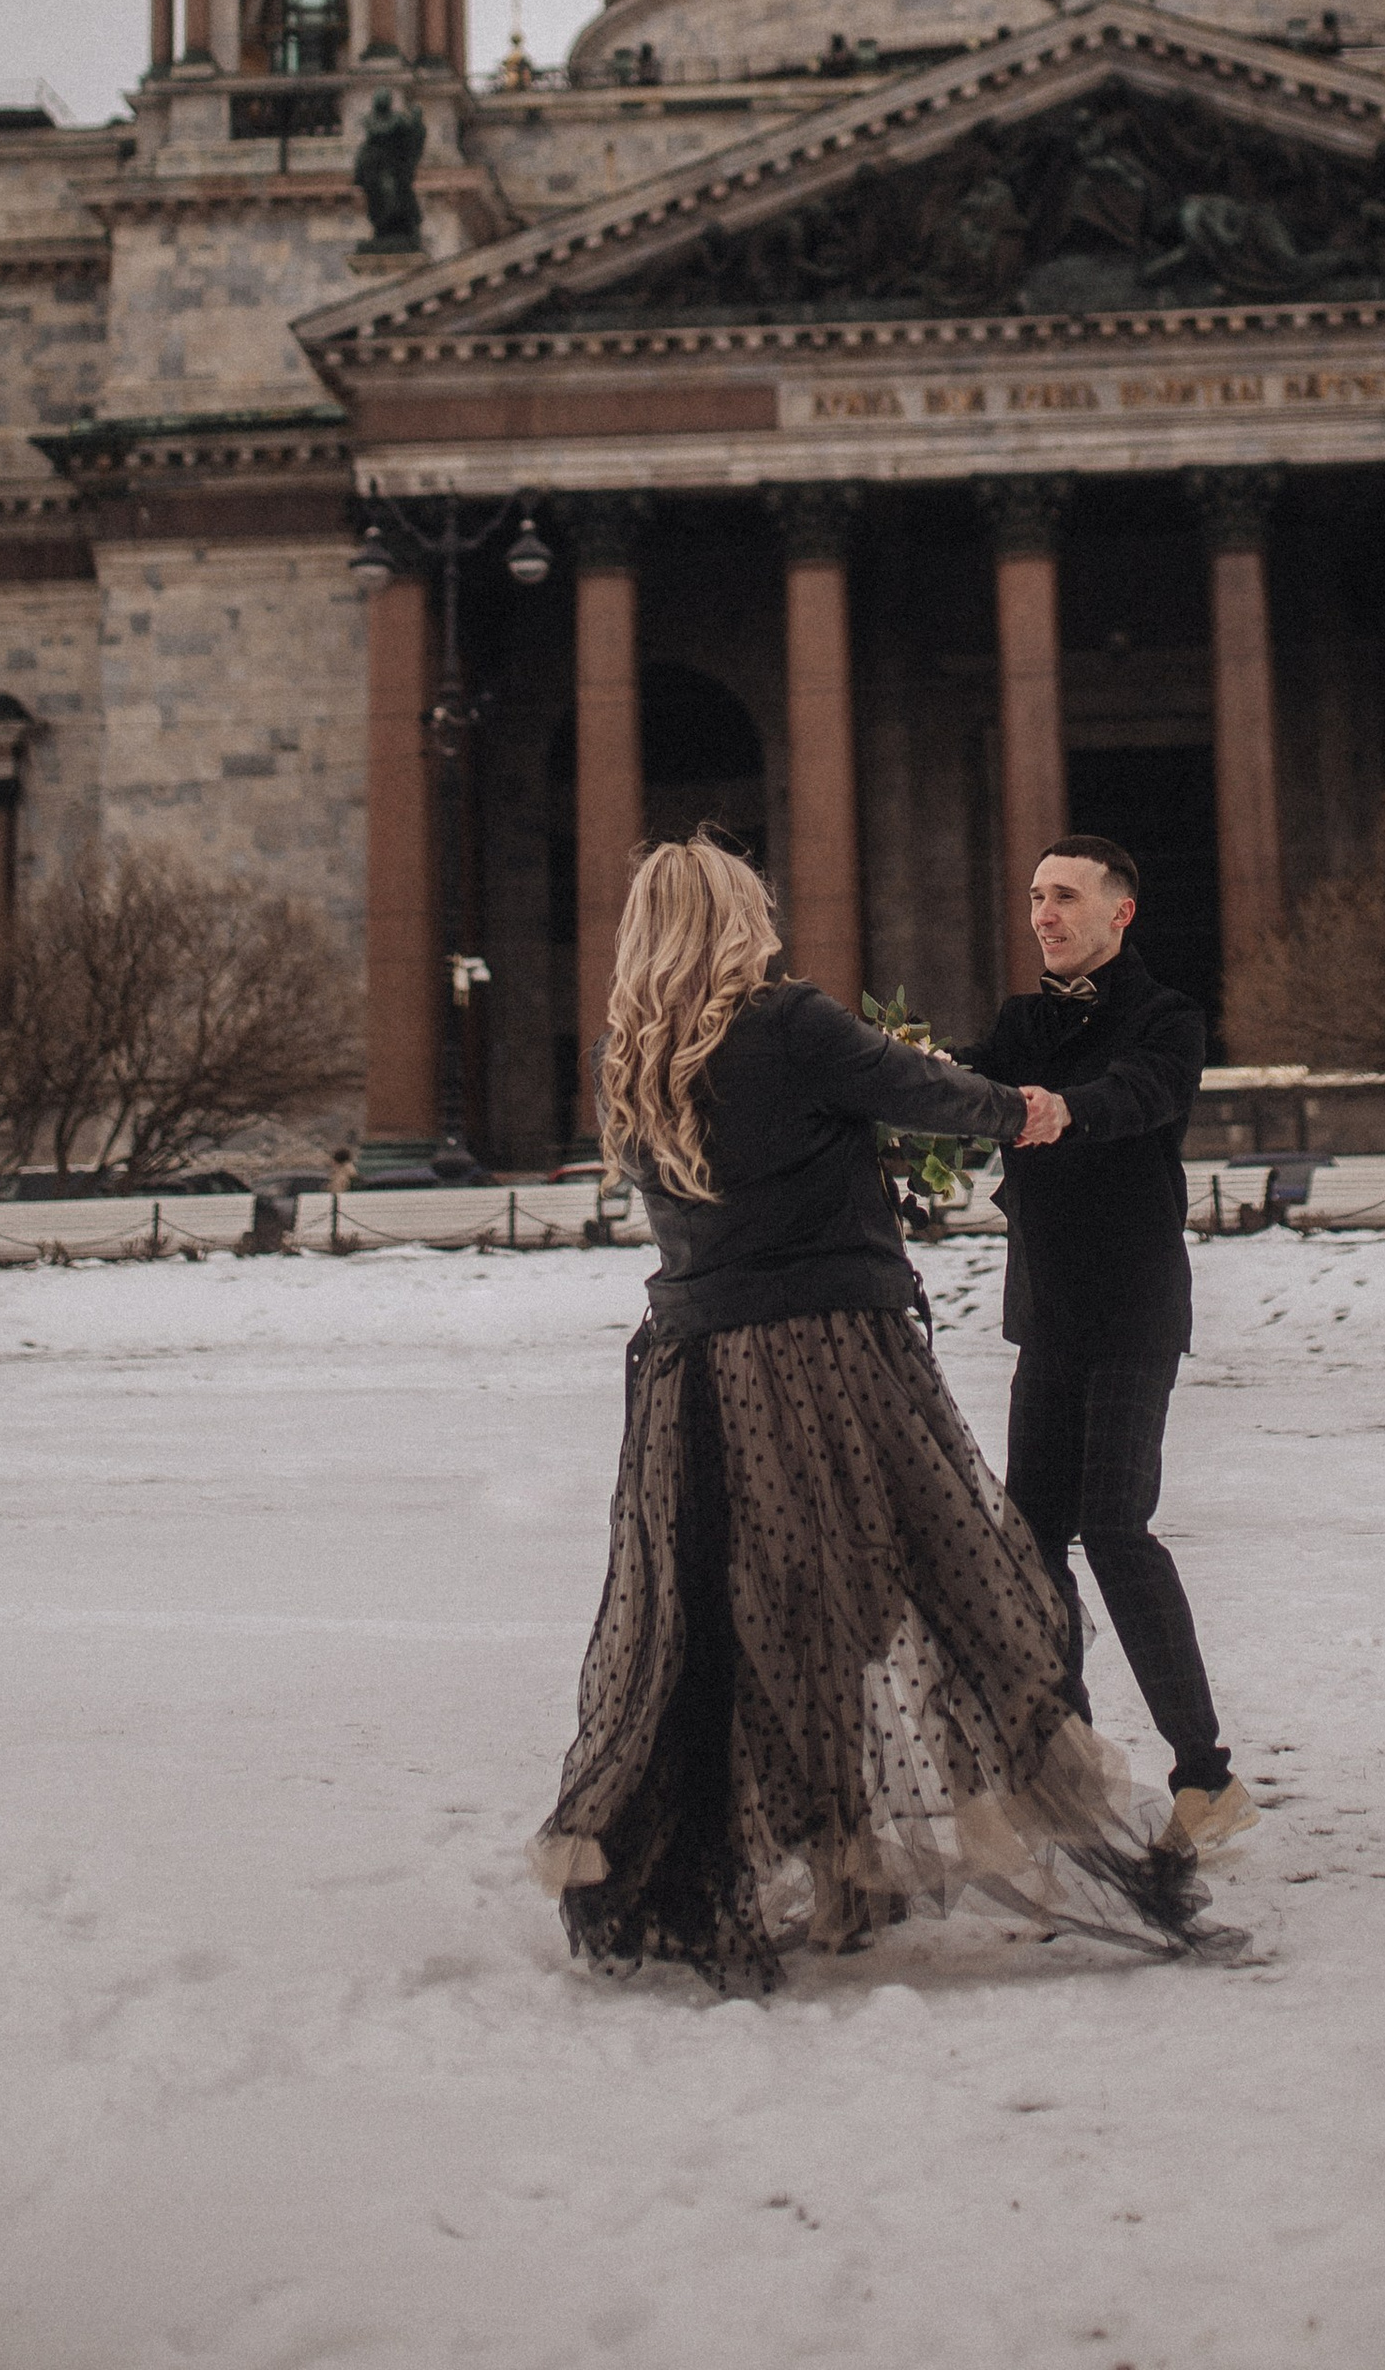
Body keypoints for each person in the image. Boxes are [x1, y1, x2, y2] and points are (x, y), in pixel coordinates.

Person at [533, 837, 1212, 1989]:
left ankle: (782, 1866)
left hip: (691, 1373)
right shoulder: (789, 1022)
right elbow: (930, 1095)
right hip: (827, 1359)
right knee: (963, 1592)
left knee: (735, 1623)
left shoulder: (627, 1049)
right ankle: (1075, 1825)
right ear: (736, 917)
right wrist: (1031, 1111)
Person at [971, 837, 1254, 1864]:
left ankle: (1205, 1779)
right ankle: (1067, 1755)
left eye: (1065, 897)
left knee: (1115, 1525)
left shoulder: (1165, 1017)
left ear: (1117, 913)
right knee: (1028, 1535)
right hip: (1048, 1313)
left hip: (1134, 1309)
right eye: (1035, 895)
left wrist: (1060, 1108)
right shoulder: (1018, 1024)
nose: (1044, 914)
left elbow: (1142, 1096)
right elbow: (966, 1092)